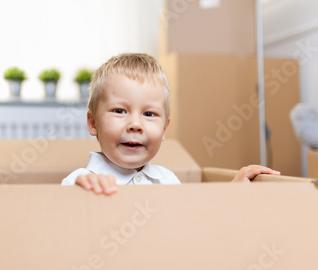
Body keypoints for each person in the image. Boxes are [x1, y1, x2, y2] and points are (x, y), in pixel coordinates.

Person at [61, 53, 280, 195]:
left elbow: (194, 222)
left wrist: (233, 191)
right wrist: (83, 194)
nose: (135, 124)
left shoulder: (167, 180)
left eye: (149, 114)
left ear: (165, 129)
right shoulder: (80, 182)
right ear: (93, 123)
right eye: (120, 111)